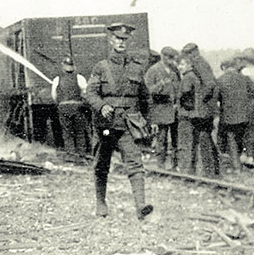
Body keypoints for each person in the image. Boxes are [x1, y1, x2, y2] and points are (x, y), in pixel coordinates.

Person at [84, 22, 153, 219]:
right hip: (105, 126)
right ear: (111, 40)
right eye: (118, 38)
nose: (121, 42)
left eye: (125, 39)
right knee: (101, 165)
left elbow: (144, 97)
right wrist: (102, 106)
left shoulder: (136, 68)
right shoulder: (101, 67)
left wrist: (148, 121)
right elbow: (90, 93)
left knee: (135, 163)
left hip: (128, 125)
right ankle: (100, 202)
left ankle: (141, 207)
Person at [178, 43, 219, 175]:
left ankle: (210, 170)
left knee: (203, 139)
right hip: (204, 109)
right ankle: (211, 169)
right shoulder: (199, 63)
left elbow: (210, 84)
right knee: (203, 139)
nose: (189, 56)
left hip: (203, 110)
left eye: (189, 53)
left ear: (195, 52)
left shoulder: (200, 63)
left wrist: (200, 101)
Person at [216, 57, 254, 173]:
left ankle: (236, 168)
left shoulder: (220, 80)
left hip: (229, 116)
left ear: (224, 68)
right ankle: (241, 163)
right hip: (246, 115)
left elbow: (217, 98)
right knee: (240, 138)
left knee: (231, 139)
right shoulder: (245, 78)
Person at [144, 47, 180, 169]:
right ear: (163, 56)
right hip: (160, 110)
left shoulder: (174, 70)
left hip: (174, 110)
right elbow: (147, 91)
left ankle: (176, 165)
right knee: (161, 139)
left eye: (172, 58)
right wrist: (161, 85)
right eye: (169, 58)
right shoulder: (153, 71)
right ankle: (161, 165)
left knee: (176, 140)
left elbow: (178, 87)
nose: (171, 61)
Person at [51, 57, 91, 155]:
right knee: (80, 132)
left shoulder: (57, 79)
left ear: (63, 66)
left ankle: (71, 154)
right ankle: (81, 154)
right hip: (77, 107)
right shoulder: (79, 78)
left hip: (63, 107)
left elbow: (54, 95)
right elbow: (85, 92)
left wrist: (59, 104)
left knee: (67, 133)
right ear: (74, 67)